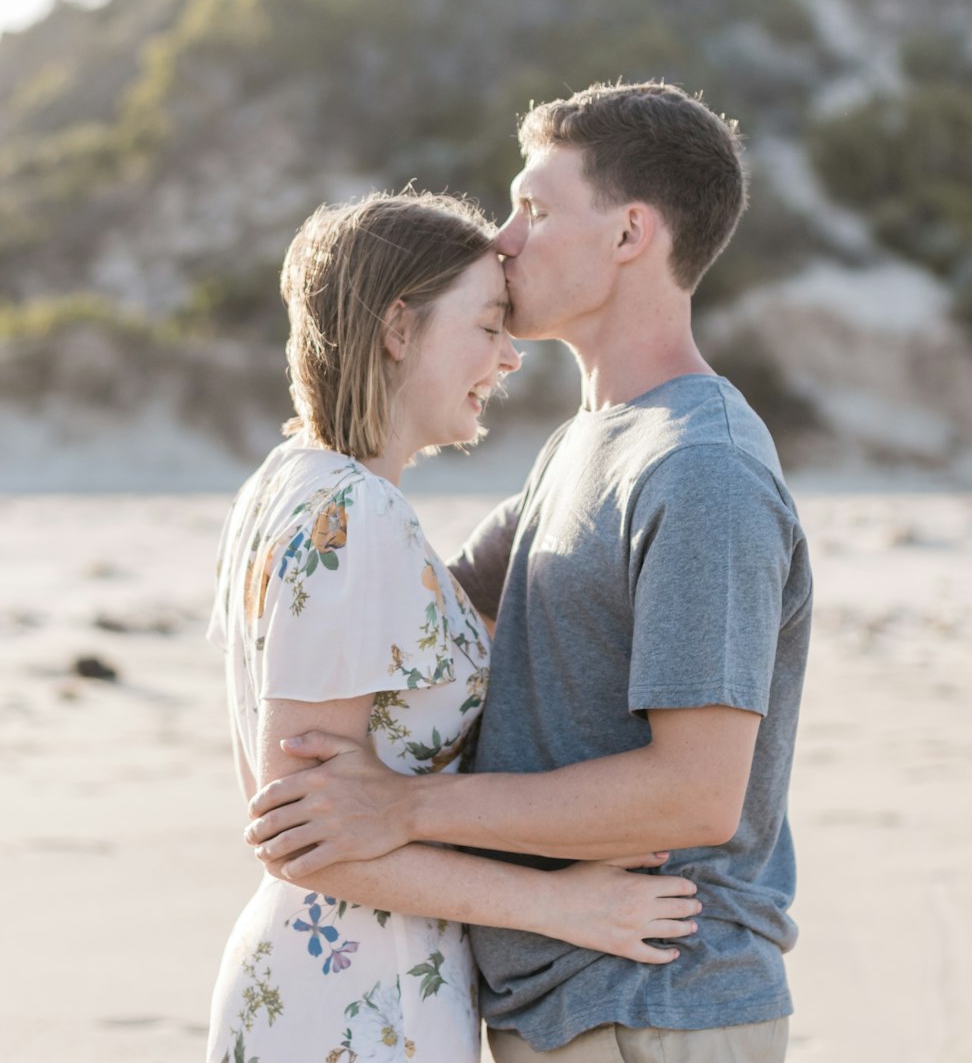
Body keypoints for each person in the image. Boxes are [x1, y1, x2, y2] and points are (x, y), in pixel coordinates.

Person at [245, 83, 813, 1063]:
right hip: (548, 991)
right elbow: (405, 605)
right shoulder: (577, 451)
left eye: (535, 210)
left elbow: (695, 797)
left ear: (631, 232)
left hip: (657, 994)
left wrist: (402, 805)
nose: (505, 241)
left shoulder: (699, 467)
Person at [206, 188, 704, 1063]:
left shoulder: (289, 483)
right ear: (400, 330)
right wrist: (564, 904)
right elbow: (303, 838)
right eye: (486, 327)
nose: (509, 358)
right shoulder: (353, 515)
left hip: (342, 976)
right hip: (355, 994)